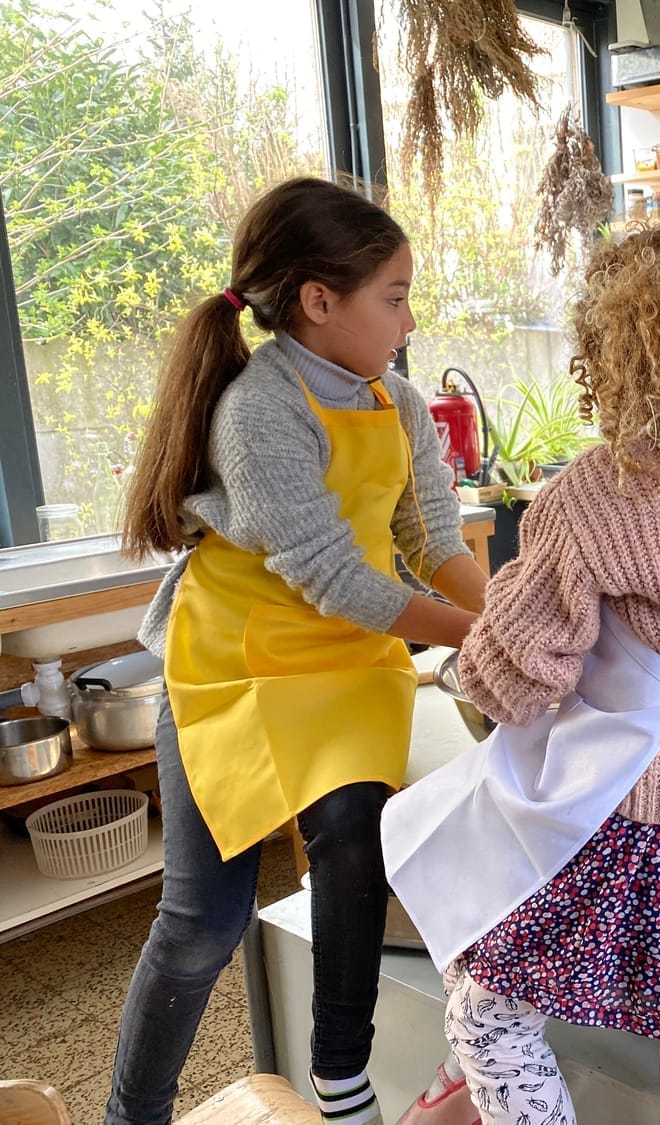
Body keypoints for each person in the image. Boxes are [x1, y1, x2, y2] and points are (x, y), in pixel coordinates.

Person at [382, 227, 660, 1125]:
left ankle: (484, 1082)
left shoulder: (590, 494)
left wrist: (473, 667)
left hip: (645, 830)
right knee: (488, 898)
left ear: (600, 365)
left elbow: (510, 679)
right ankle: (465, 1087)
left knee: (483, 1002)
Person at [110, 177, 486, 1125]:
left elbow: (432, 535)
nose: (408, 318)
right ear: (319, 302)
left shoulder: (395, 400)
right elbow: (337, 578)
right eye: (394, 296)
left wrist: (511, 614)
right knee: (203, 922)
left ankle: (341, 1077)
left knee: (358, 834)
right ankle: (132, 1113)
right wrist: (485, 634)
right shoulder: (255, 411)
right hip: (236, 663)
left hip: (348, 657)